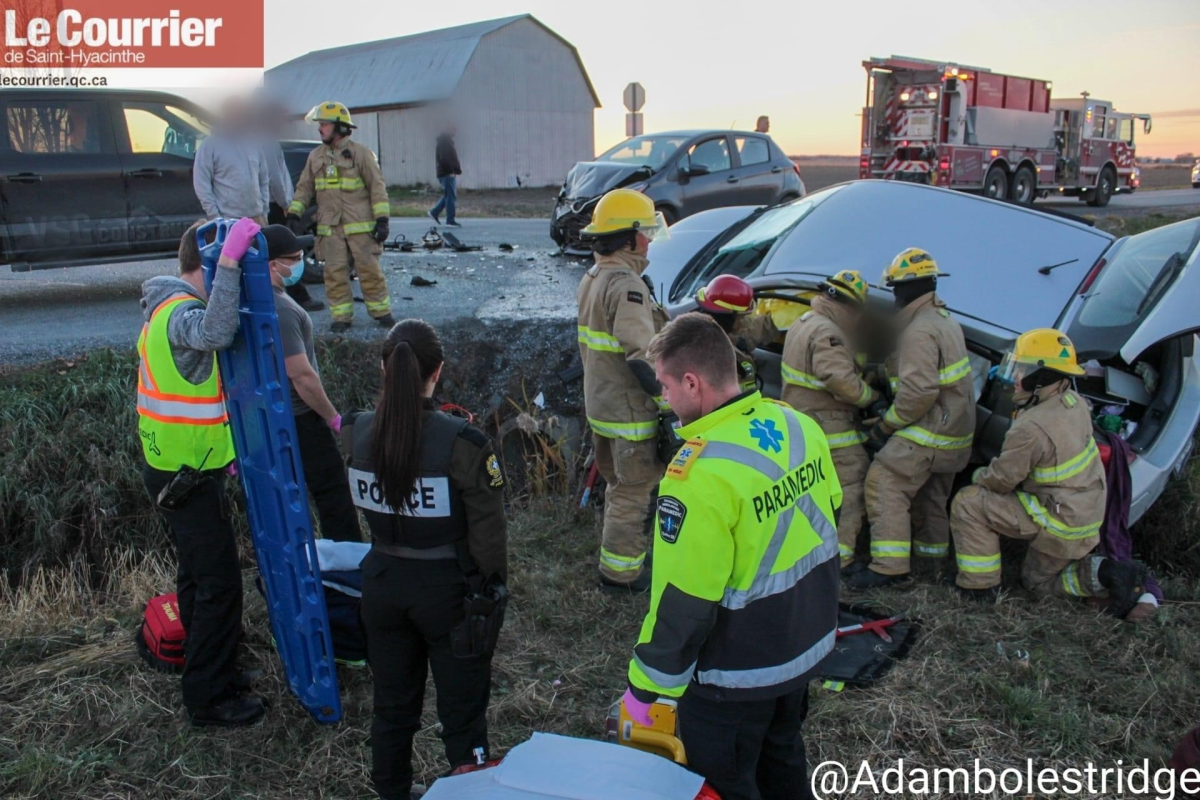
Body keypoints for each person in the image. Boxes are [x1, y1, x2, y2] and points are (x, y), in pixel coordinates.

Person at [623, 312, 840, 800]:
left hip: (736, 673)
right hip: (804, 645)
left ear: (693, 383)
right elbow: (832, 517)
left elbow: (685, 603)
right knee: (782, 755)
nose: (664, 398)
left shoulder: (697, 478)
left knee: (728, 782)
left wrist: (644, 691)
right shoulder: (797, 424)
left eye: (665, 386)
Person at [344, 319, 507, 800]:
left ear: (383, 368)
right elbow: (489, 535)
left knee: (392, 707)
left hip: (381, 583)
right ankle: (469, 790)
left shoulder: (355, 432)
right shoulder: (463, 444)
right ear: (438, 371)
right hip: (448, 593)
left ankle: (392, 793)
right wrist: (491, 589)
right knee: (462, 712)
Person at [138, 217, 265, 727]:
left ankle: (210, 665)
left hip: (180, 466)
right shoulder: (178, 313)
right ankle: (209, 699)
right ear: (206, 265)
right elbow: (216, 330)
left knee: (196, 575)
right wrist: (232, 262)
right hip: (182, 474)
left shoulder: (160, 306)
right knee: (220, 585)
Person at [949, 328, 1148, 612]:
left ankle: (979, 587)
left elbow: (1002, 480)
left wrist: (978, 474)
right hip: (1085, 512)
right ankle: (1106, 570)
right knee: (1043, 575)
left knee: (971, 504)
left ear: (1042, 379)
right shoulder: (1074, 402)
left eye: (1023, 370)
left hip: (1060, 521)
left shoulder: (1032, 428)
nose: (1014, 378)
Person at [847, 248, 976, 590]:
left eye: (894, 289)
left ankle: (889, 568)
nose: (892, 296)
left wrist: (887, 426)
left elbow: (918, 392)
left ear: (904, 289)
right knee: (931, 497)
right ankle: (930, 564)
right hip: (956, 432)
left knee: (884, 482)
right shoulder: (945, 321)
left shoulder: (918, 331)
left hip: (930, 430)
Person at [576, 188, 671, 593]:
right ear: (629, 237)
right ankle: (620, 573)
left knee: (618, 487)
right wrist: (668, 404)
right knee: (633, 492)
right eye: (645, 231)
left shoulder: (595, 276)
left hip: (603, 406)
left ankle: (618, 557)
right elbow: (640, 355)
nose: (650, 239)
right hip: (630, 413)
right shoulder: (626, 284)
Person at [262, 224, 363, 543]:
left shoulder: (253, 300)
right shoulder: (283, 310)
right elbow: (301, 375)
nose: (300, 261)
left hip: (269, 416)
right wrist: (332, 418)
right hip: (302, 419)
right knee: (333, 495)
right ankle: (348, 568)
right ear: (271, 265)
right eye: (293, 258)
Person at [781, 270, 882, 570]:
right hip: (828, 424)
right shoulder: (829, 333)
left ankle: (808, 550)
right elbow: (839, 379)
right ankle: (839, 558)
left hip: (802, 422)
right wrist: (871, 398)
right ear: (850, 307)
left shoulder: (804, 322)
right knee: (852, 485)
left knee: (809, 489)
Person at [286, 101, 394, 333]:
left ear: (339, 127)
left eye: (324, 124)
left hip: (360, 226)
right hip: (329, 228)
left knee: (369, 270)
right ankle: (341, 317)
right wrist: (295, 212)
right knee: (334, 274)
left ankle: (381, 312)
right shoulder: (316, 157)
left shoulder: (361, 154)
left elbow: (377, 188)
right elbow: (304, 188)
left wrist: (382, 219)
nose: (320, 129)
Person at [258, 99, 324, 313]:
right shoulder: (266, 141)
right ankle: (299, 298)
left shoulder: (261, 139)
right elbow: (274, 178)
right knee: (286, 253)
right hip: (273, 205)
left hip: (269, 203)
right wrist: (287, 204)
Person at [693, 274, 778, 393]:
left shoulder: (722, 335)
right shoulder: (715, 356)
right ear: (727, 319)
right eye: (740, 317)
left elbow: (755, 328)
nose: (742, 321)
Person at [193, 98, 270, 224]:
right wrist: (216, 218)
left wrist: (264, 212)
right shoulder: (210, 145)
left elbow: (264, 179)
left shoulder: (253, 143)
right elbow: (202, 185)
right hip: (228, 221)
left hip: (257, 219)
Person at [430, 123, 462, 227]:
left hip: (446, 172)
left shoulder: (446, 141)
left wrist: (456, 170)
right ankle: (450, 220)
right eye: (453, 130)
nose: (455, 132)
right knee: (450, 196)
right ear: (448, 129)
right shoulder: (445, 142)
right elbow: (444, 158)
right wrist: (451, 171)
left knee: (449, 195)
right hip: (447, 173)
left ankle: (435, 212)